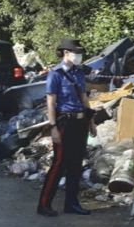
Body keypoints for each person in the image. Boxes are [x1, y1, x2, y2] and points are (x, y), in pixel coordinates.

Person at [37, 37, 95, 217]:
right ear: (66, 53)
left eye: (80, 53)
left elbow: (84, 98)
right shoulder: (55, 74)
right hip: (64, 122)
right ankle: (44, 204)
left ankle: (72, 203)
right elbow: (51, 102)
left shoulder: (78, 72)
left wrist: (91, 122)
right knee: (59, 163)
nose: (79, 56)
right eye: (76, 53)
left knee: (76, 164)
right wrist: (53, 127)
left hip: (80, 121)